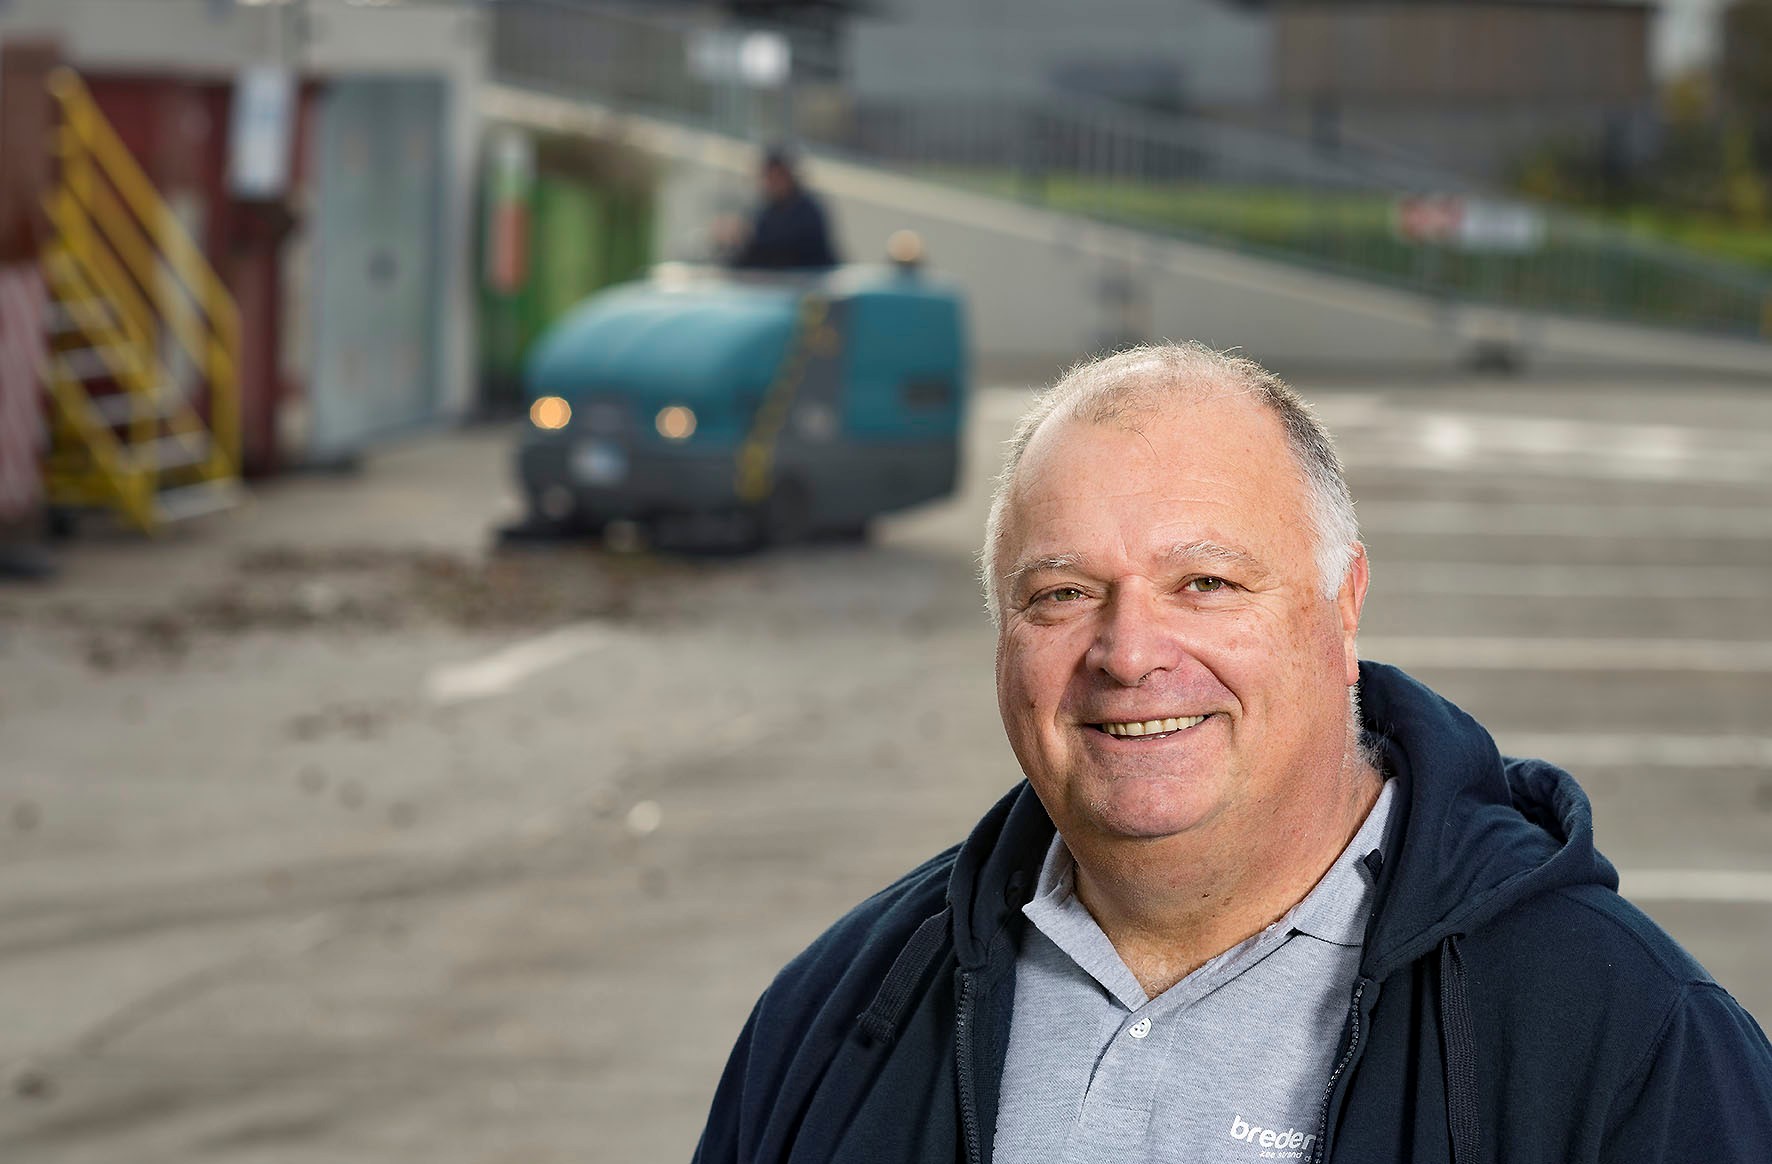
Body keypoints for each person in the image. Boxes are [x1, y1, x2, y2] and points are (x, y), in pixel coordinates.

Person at [692, 343, 1772, 1163]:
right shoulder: (835, 1013)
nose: (1126, 654)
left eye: (1204, 584)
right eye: (1061, 595)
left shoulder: (1623, 1038)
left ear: (1340, 608)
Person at [726, 148, 839, 272]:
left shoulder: (808, 210)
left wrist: (748, 236)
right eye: (769, 177)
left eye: (778, 176)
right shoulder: (764, 211)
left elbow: (786, 249)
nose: (773, 183)